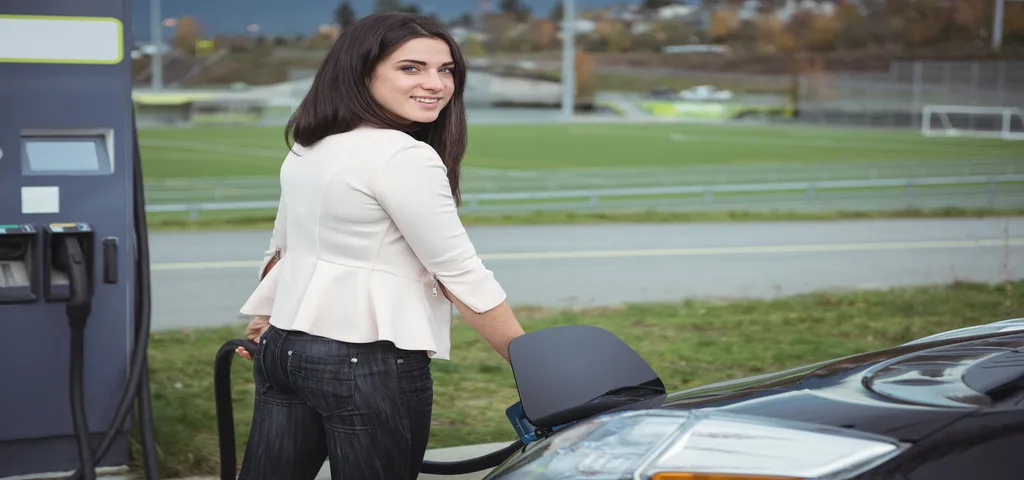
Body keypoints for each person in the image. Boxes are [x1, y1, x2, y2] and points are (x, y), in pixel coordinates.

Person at [232, 12, 526, 480]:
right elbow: (460, 274)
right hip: (365, 363)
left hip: (285, 351)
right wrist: (533, 366)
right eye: (411, 68)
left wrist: (271, 317)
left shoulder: (309, 146)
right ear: (360, 72)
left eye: (445, 70)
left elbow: (282, 249)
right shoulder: (404, 155)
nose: (436, 84)